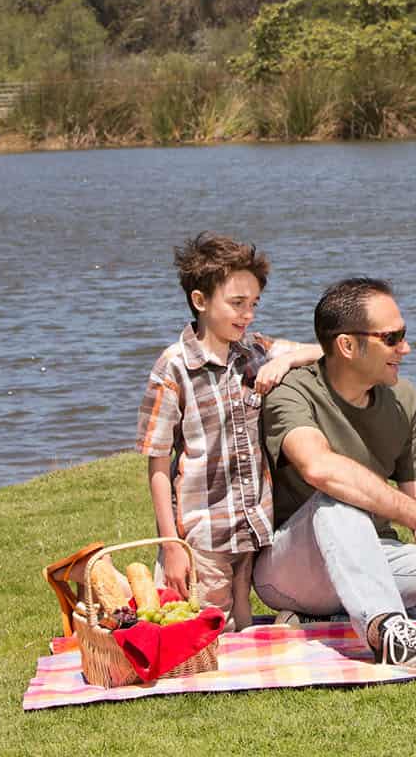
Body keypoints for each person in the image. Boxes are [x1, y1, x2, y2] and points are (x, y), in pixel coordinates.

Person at [252, 278, 416, 669]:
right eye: (392, 338)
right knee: (335, 501)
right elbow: (319, 468)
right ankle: (387, 633)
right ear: (347, 345)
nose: (405, 348)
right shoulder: (291, 392)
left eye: (404, 335)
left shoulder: (402, 399)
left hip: (375, 555)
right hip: (292, 571)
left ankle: (339, 618)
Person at [136, 233, 321, 631]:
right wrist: (171, 546)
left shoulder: (253, 352)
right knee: (205, 628)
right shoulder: (174, 368)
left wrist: (284, 363)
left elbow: (324, 349)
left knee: (239, 616)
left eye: (253, 304)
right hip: (201, 531)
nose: (248, 314)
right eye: (237, 304)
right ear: (200, 302)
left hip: (252, 523)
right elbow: (156, 463)